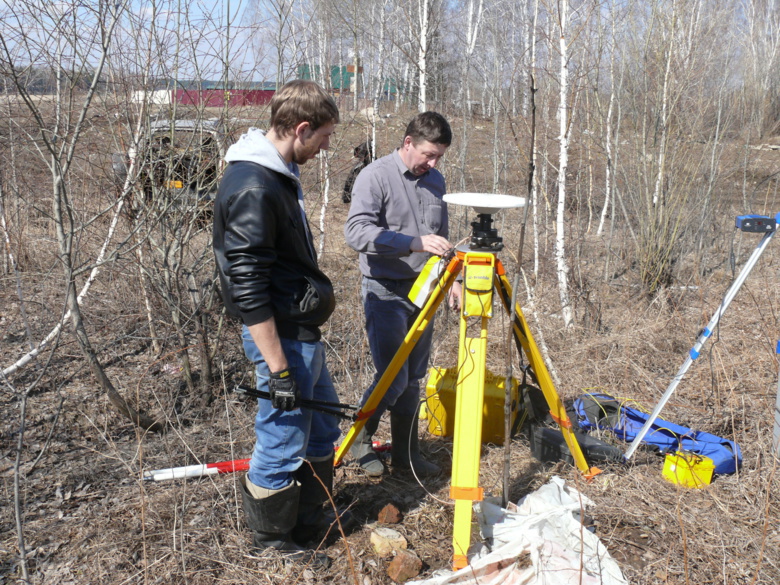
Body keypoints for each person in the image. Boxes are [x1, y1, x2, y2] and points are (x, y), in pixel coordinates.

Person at [212, 80, 343, 568]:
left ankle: (311, 522)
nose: (327, 146)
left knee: (321, 426)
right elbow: (247, 287)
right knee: (282, 438)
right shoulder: (253, 184)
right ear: (301, 128)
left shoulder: (277, 172)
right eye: (324, 136)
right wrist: (279, 369)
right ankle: (271, 545)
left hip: (300, 331)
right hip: (281, 337)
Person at [344, 111, 461, 478]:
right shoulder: (374, 176)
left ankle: (406, 454)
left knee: (413, 377)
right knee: (392, 375)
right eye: (428, 154)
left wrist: (453, 276)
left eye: (439, 156)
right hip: (384, 290)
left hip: (424, 289)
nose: (433, 163)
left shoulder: (436, 180)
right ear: (408, 142)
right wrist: (412, 244)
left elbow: (441, 237)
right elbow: (357, 232)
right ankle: (361, 438)